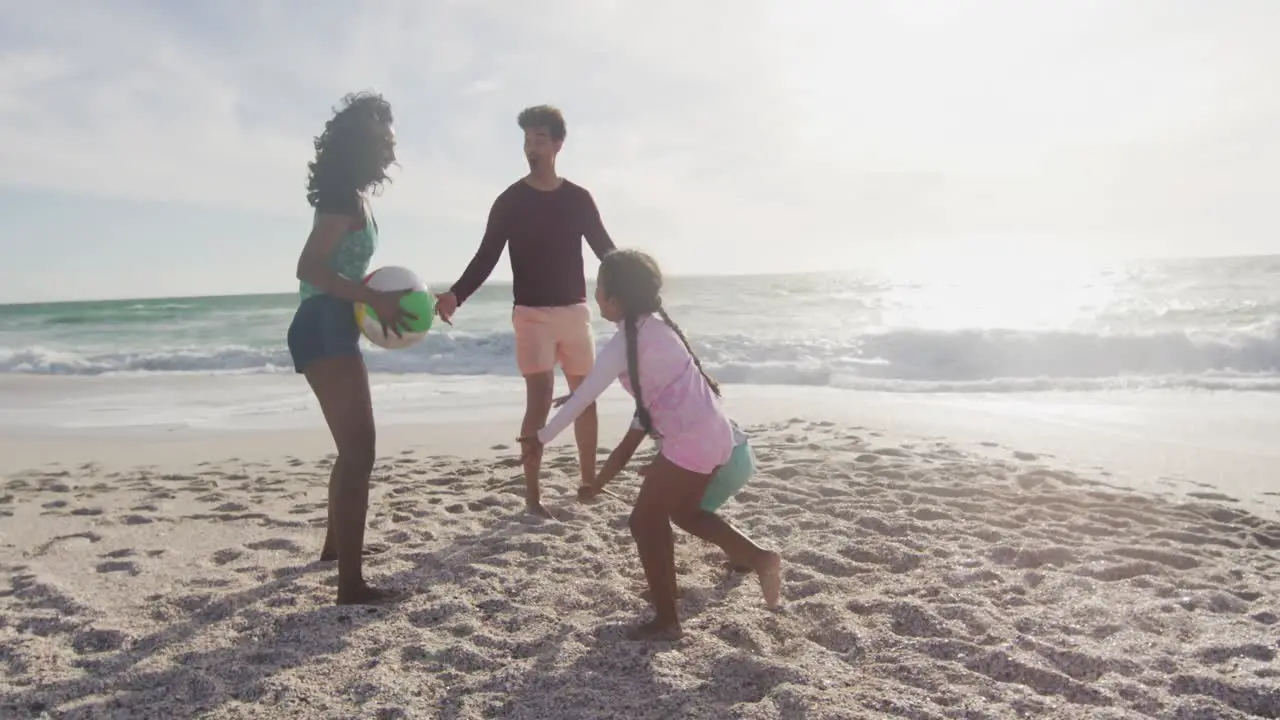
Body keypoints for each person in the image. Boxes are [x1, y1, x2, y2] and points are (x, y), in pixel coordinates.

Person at [518, 249, 783, 640]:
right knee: (685, 514)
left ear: (617, 299)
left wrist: (538, 438)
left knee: (644, 521)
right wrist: (568, 410)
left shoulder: (624, 340)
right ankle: (760, 558)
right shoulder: (659, 325)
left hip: (691, 441)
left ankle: (667, 619)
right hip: (715, 432)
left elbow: (584, 398)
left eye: (600, 289)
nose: (595, 295)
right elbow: (600, 392)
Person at [434, 104, 615, 518]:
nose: (531, 146)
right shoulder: (511, 201)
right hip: (531, 314)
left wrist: (636, 283)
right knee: (539, 399)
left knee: (584, 397)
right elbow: (486, 257)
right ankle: (533, 496)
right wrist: (455, 296)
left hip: (574, 312)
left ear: (557, 145)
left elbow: (606, 249)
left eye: (538, 138)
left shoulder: (578, 198)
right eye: (526, 139)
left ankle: (587, 483)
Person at [287, 91, 412, 605]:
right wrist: (373, 299)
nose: (390, 143)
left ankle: (335, 552)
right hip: (322, 324)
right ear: (362, 141)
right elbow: (310, 268)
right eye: (382, 134)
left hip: (332, 323)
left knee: (352, 449)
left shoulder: (353, 195)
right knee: (361, 451)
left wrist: (370, 302)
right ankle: (351, 586)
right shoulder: (340, 196)